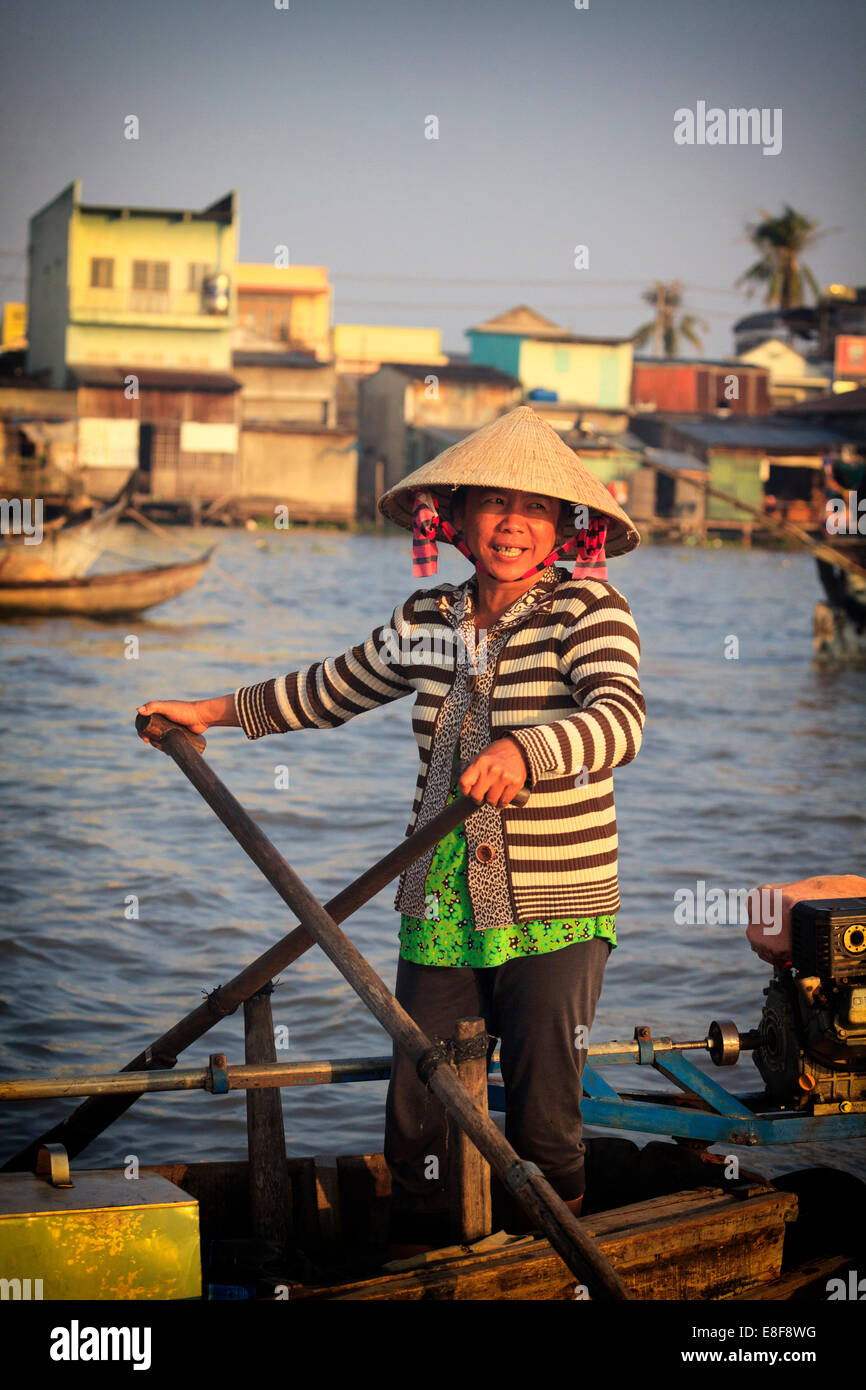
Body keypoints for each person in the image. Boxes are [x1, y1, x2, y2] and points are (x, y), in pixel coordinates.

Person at [137, 405, 646, 1258]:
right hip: (440, 897)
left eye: (535, 509)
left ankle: (554, 1266)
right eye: (493, 504)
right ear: (458, 519)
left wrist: (529, 751)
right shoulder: (430, 615)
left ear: (563, 526)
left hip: (556, 897)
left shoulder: (589, 611)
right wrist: (209, 713)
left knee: (545, 1113)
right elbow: (327, 690)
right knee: (421, 1113)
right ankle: (418, 1263)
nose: (512, 525)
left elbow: (621, 721)